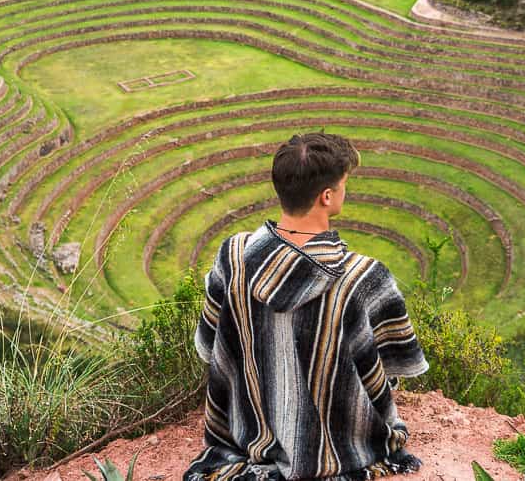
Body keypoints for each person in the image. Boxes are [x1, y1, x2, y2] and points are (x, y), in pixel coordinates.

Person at [184, 132, 429, 481]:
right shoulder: (364, 278)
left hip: (245, 435)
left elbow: (210, 349)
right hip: (341, 446)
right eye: (344, 184)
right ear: (327, 196)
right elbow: (395, 367)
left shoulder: (232, 257)